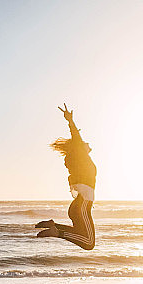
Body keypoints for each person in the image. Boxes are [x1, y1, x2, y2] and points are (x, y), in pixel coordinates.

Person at [36, 104, 96, 250]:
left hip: (79, 206)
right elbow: (76, 137)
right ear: (79, 146)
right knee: (88, 243)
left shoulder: (79, 161)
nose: (88, 144)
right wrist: (70, 121)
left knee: (83, 237)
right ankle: (56, 231)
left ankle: (54, 226)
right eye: (84, 143)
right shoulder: (80, 156)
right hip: (82, 205)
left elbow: (77, 140)